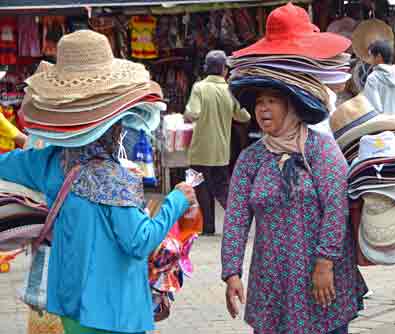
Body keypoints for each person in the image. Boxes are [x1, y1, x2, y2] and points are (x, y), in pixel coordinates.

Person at [0, 30, 197, 334]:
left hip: (68, 302)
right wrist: (176, 200)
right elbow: (140, 241)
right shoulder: (114, 179)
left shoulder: (49, 161)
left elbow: (6, 164)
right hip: (114, 311)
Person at [221, 89, 367, 334]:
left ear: (292, 108)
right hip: (272, 279)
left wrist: (325, 263)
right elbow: (236, 218)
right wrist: (232, 273)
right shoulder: (251, 158)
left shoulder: (321, 149)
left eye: (272, 101)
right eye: (259, 102)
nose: (263, 109)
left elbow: (336, 207)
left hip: (320, 277)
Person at [184, 50, 251, 235]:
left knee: (201, 188)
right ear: (223, 69)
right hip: (222, 151)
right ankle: (239, 221)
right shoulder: (229, 90)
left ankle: (207, 228)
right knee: (223, 187)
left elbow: (192, 113)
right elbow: (243, 116)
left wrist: (185, 117)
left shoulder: (199, 88)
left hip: (200, 150)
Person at [363, 40, 395, 126]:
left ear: (379, 56)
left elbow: (374, 109)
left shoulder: (373, 79)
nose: (370, 60)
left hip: (378, 132)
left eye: (371, 56)